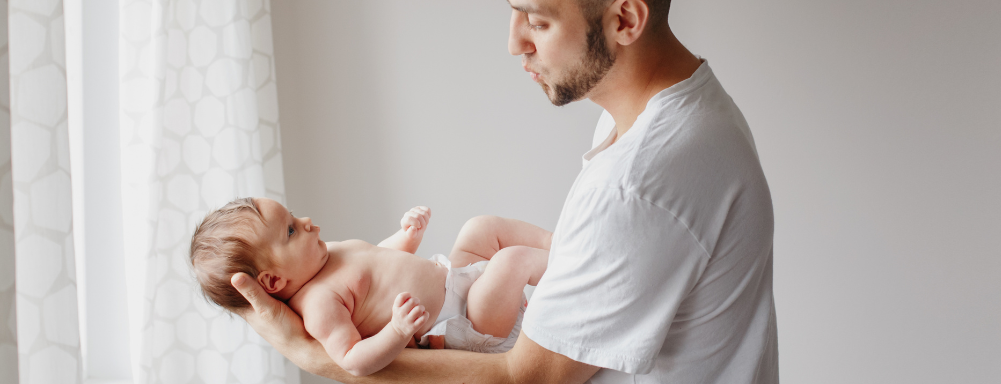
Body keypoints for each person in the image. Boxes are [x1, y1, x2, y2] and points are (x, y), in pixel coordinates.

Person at [229, 0, 779, 382]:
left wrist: (313, 358)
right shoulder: (679, 113)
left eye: (536, 22)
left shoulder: (636, 182)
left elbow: (527, 378)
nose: (513, 41)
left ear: (625, 19)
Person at [189, 197, 550, 376]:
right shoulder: (319, 303)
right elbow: (352, 361)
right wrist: (396, 331)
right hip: (467, 324)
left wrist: (408, 236)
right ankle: (582, 264)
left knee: (480, 228)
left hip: (458, 278)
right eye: (290, 230)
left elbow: (381, 260)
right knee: (509, 263)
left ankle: (559, 241)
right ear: (272, 280)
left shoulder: (326, 254)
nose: (307, 221)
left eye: (293, 216)